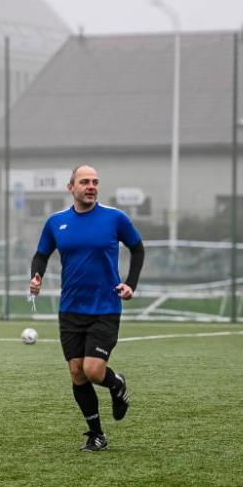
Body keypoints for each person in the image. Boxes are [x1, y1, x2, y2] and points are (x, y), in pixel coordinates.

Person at [29, 164, 145, 451]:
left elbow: (138, 248)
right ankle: (97, 435)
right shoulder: (56, 222)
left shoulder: (115, 218)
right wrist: (36, 275)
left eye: (95, 182)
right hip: (70, 310)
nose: (91, 186)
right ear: (71, 188)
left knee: (93, 370)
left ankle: (117, 384)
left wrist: (131, 283)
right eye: (84, 182)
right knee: (77, 372)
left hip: (105, 307)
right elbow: (41, 254)